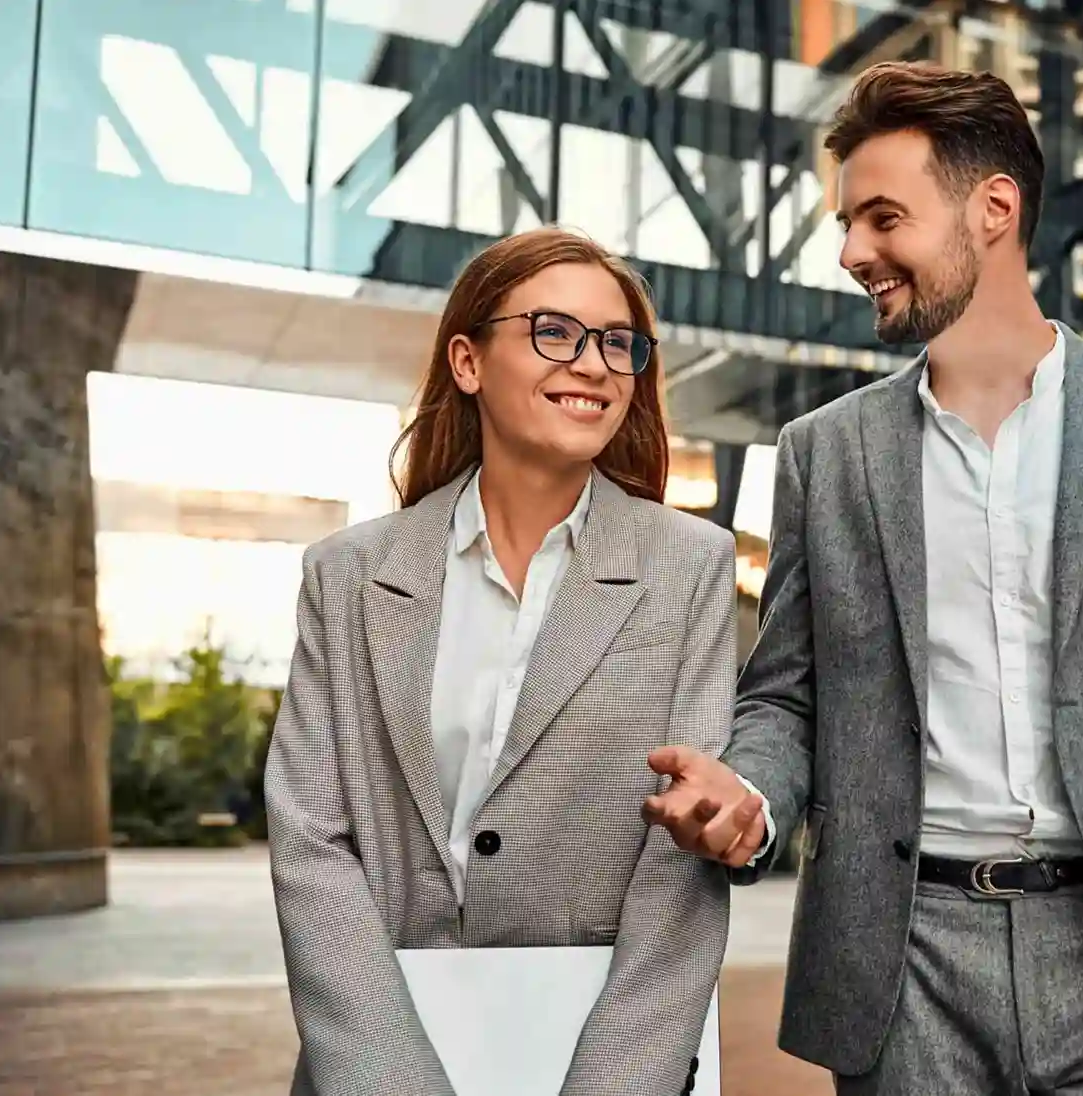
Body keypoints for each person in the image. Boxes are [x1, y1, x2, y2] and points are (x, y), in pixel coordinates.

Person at [643, 61, 1083, 1095]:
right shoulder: (826, 453)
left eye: (881, 218)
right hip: (907, 973)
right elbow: (785, 694)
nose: (852, 253)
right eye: (847, 224)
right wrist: (749, 797)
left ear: (992, 208)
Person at [266, 227, 733, 1096]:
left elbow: (680, 870)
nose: (593, 364)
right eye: (554, 332)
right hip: (379, 1062)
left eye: (618, 343)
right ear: (468, 362)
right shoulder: (348, 574)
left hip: (600, 1059)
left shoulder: (690, 566)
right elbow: (311, 844)